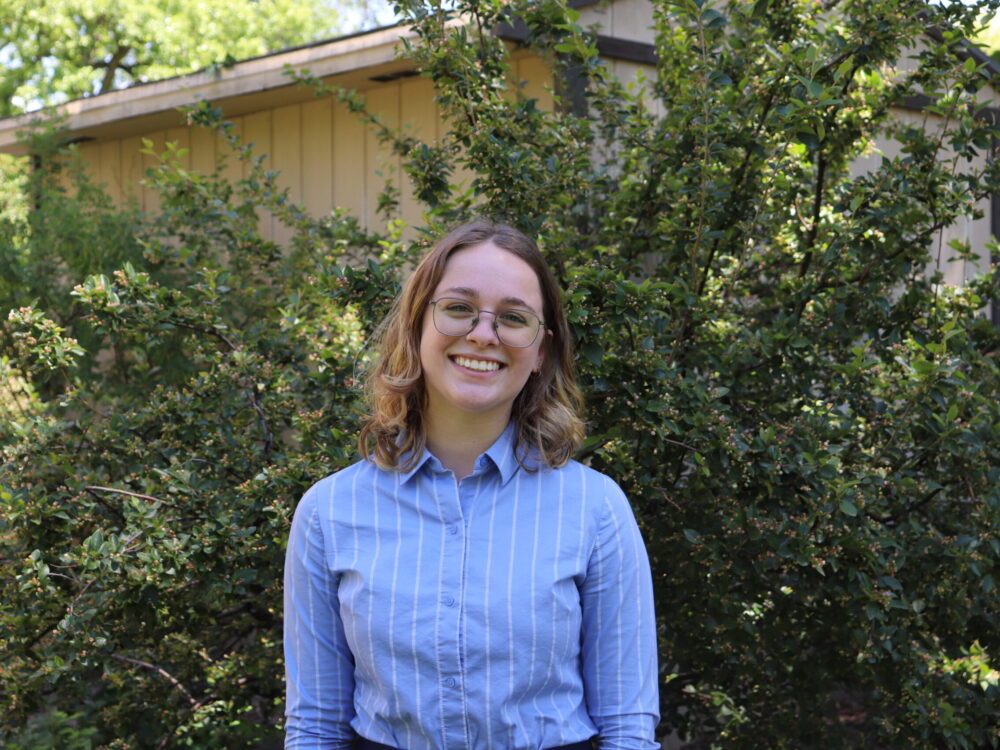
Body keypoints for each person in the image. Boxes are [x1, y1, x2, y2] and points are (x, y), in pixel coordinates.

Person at [284, 221, 659, 750]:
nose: (484, 334)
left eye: (512, 317)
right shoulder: (329, 511)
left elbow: (627, 729)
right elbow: (315, 729)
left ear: (541, 353)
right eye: (458, 308)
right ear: (416, 328)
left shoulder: (596, 509)